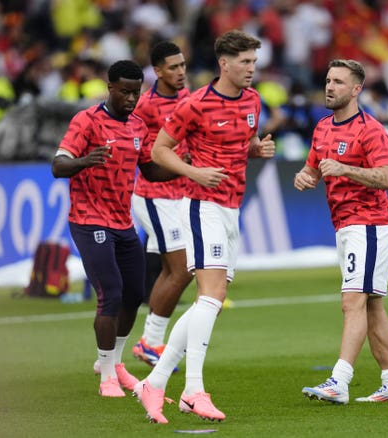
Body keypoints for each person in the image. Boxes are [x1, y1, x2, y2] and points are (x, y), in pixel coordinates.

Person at [133, 30, 275, 423]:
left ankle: (155, 382)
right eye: (245, 62)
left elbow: (236, 144)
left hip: (232, 209)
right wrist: (195, 171)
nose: (251, 69)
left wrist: (256, 149)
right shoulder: (195, 104)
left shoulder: (253, 100)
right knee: (210, 297)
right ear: (224, 63)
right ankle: (193, 389)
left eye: (254, 62)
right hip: (201, 207)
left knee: (206, 304)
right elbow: (160, 149)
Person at [51, 60, 174, 397]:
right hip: (89, 220)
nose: (132, 99)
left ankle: (114, 361)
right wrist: (83, 161)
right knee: (111, 293)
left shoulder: (137, 126)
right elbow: (58, 166)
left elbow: (149, 171)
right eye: (125, 92)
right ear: (110, 88)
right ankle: (107, 375)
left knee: (134, 294)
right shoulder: (86, 121)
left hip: (123, 222)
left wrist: (186, 168)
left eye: (136, 92)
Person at [294, 59, 388, 404]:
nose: (330, 87)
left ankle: (339, 381)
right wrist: (305, 176)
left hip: (370, 224)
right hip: (345, 225)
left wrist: (345, 168)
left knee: (352, 301)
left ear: (356, 89)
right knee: (372, 306)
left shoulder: (370, 129)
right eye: (328, 80)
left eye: (339, 82)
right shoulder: (323, 127)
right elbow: (313, 167)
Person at [130, 41, 193, 368]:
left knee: (173, 271)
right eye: (173, 67)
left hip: (181, 195)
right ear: (157, 71)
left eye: (183, 65)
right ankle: (149, 342)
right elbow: (136, 151)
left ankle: (145, 343)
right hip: (155, 196)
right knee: (182, 271)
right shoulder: (145, 106)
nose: (181, 72)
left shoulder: (188, 98)